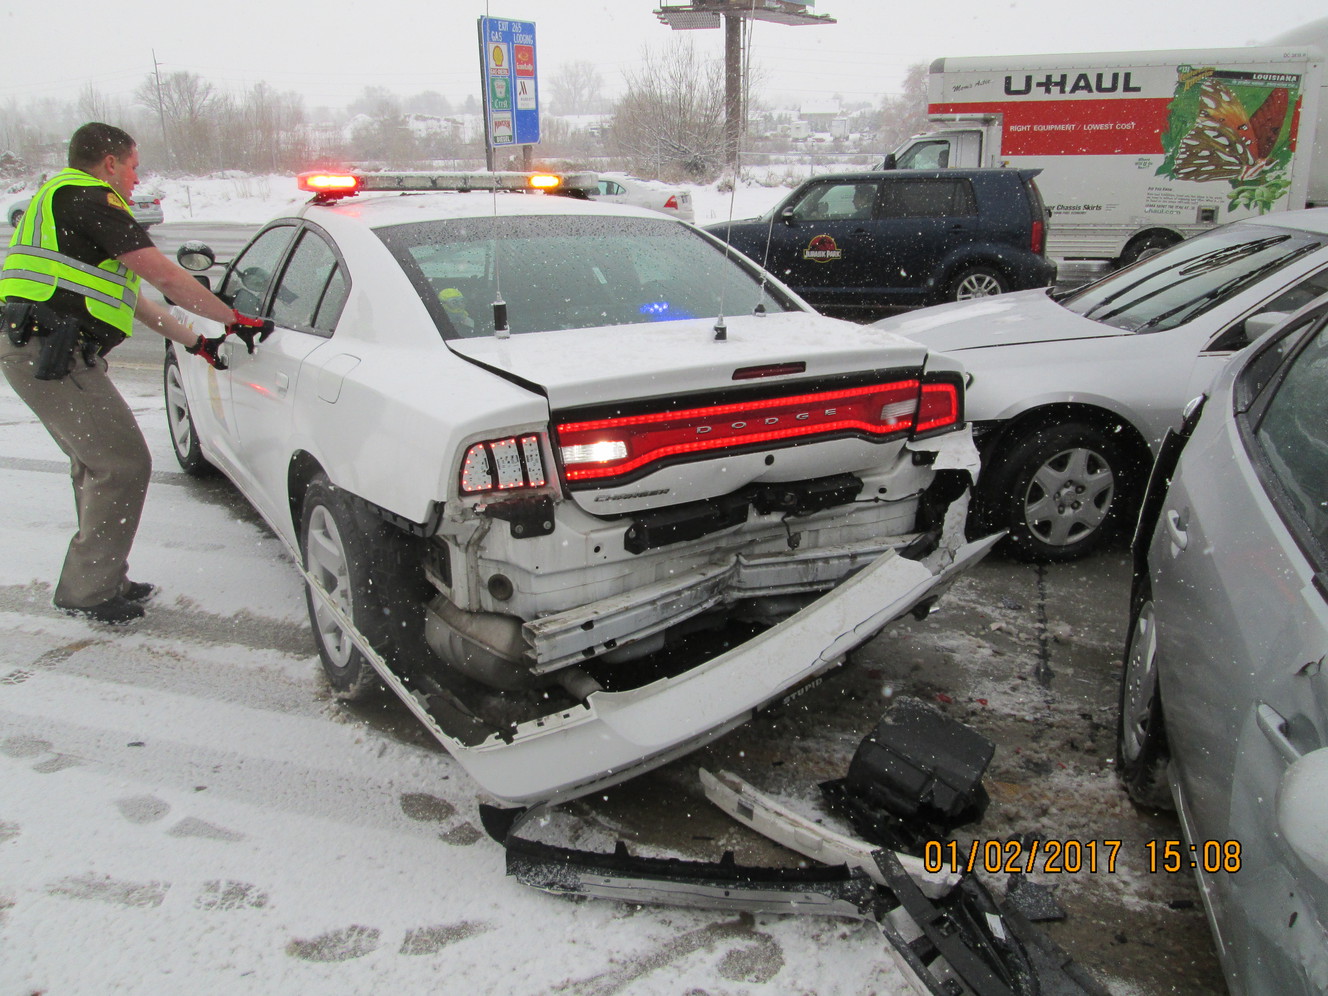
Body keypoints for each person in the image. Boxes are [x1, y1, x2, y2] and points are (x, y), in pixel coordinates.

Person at [0, 122, 272, 624]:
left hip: (43, 346)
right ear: (109, 163)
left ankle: (102, 576)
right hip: (50, 349)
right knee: (121, 463)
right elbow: (165, 275)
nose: (134, 177)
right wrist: (234, 318)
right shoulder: (90, 199)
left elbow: (138, 300)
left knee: (95, 463)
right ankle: (90, 591)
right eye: (132, 165)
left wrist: (199, 341)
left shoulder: (59, 200)